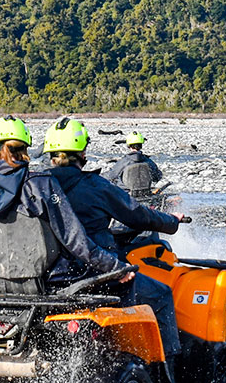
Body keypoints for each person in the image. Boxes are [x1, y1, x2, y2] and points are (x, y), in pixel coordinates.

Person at [41, 117, 182, 366]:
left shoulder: (35, 186)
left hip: (48, 278)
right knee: (161, 294)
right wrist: (171, 221)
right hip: (96, 276)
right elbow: (140, 215)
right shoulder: (95, 186)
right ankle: (165, 375)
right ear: (82, 152)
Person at [0, 116, 123, 289]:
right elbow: (74, 238)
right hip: (53, 282)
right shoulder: (40, 184)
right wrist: (115, 267)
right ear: (25, 149)